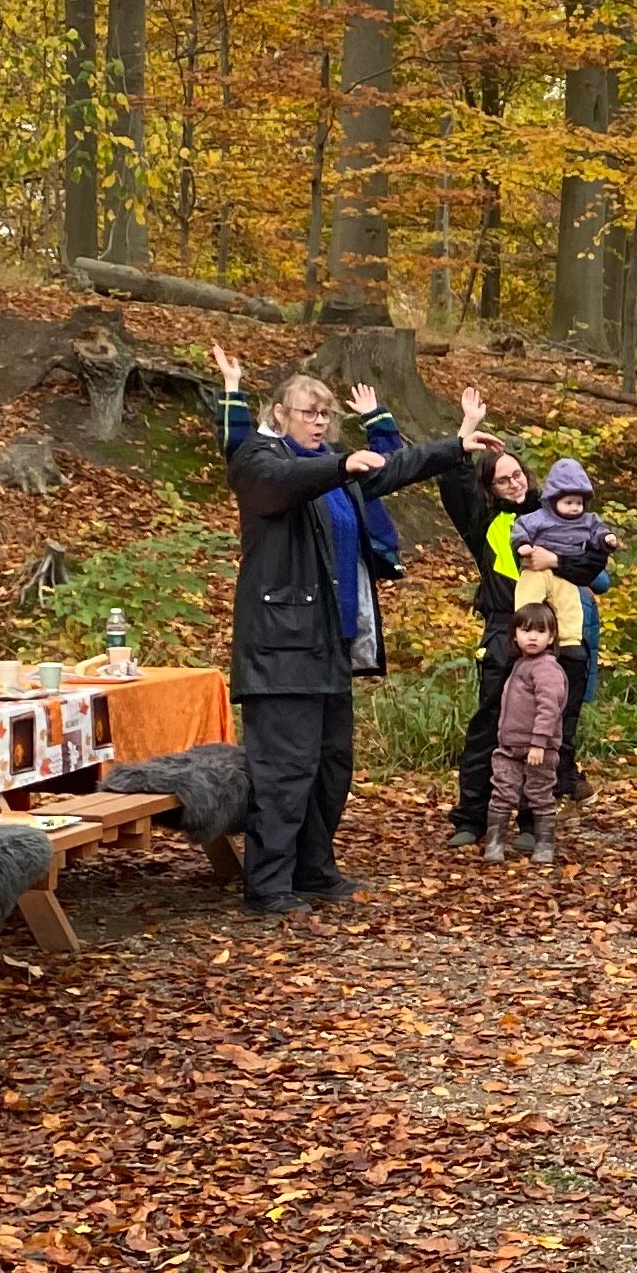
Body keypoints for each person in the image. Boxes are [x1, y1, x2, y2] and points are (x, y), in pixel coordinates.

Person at [211, 350, 460, 914]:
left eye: (326, 414)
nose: (319, 423)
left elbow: (392, 468)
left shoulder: (333, 471)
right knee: (284, 772)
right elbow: (283, 484)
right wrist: (340, 466)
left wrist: (455, 448)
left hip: (331, 645)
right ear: (280, 414)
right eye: (308, 413)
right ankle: (269, 883)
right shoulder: (261, 461)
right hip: (280, 649)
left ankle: (314, 871)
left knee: (329, 768)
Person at [434, 430, 540, 850]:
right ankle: (471, 817)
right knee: (489, 728)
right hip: (500, 631)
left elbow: (590, 558)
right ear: (490, 488)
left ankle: (533, 821)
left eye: (517, 475)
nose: (513, 484)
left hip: (547, 634)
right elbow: (453, 489)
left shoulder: (552, 516)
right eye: (502, 479)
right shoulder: (487, 523)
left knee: (540, 730)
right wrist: (462, 442)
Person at [513, 457, 619, 800]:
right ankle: (540, 789)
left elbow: (597, 574)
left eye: (578, 502)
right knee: (535, 716)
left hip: (577, 641)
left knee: (566, 715)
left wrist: (557, 560)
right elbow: (526, 559)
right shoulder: (532, 526)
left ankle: (563, 783)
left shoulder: (585, 530)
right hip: (536, 642)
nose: (573, 508)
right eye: (567, 502)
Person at [486, 601, 573, 864]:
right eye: (525, 631)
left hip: (539, 749)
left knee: (540, 793)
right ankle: (494, 844)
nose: (532, 637)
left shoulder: (547, 668)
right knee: (502, 791)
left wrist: (539, 743)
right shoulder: (521, 665)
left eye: (540, 632)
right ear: (514, 635)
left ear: (551, 637)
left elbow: (550, 708)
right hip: (510, 746)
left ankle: (544, 845)